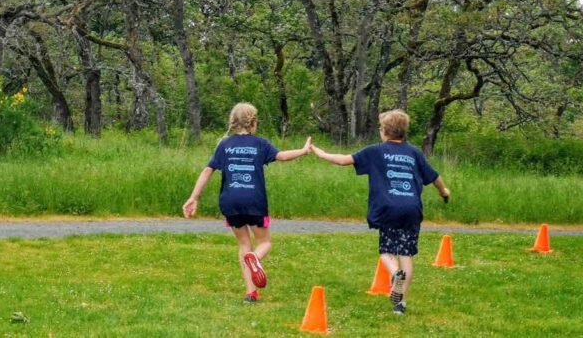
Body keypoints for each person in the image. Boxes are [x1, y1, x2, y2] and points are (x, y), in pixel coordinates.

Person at [311, 109, 450, 315]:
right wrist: (444, 191)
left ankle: (395, 274)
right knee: (406, 254)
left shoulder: (376, 151)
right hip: (411, 209)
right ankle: (400, 304)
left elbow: (343, 160)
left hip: (388, 208)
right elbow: (434, 176)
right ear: (404, 132)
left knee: (386, 251)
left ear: (384, 131)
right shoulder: (414, 153)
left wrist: (320, 153)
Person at [182, 102, 311, 303]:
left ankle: (251, 293)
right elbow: (282, 156)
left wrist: (193, 197)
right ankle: (256, 259)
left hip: (230, 201)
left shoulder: (224, 145)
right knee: (265, 242)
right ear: (253, 123)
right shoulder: (260, 144)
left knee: (244, 244)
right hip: (254, 200)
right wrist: (303, 151)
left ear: (233, 122)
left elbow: (208, 170)